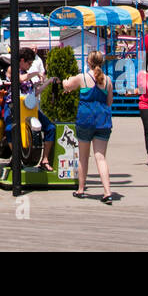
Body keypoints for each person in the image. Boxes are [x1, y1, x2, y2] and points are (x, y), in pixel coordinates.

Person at [61, 50, 113, 203]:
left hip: (85, 119)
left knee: (83, 156)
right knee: (101, 157)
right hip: (103, 120)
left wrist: (65, 80)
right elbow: (109, 102)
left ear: (88, 62)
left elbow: (67, 86)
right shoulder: (108, 80)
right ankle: (107, 191)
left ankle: (81, 189)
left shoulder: (82, 77)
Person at [18, 48, 55, 172]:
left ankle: (45, 160)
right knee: (12, 131)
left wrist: (48, 81)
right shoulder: (13, 69)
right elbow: (20, 79)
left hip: (31, 109)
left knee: (50, 128)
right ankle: (16, 159)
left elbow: (35, 92)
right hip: (19, 110)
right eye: (28, 64)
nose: (29, 67)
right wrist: (35, 73)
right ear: (22, 60)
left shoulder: (27, 74)